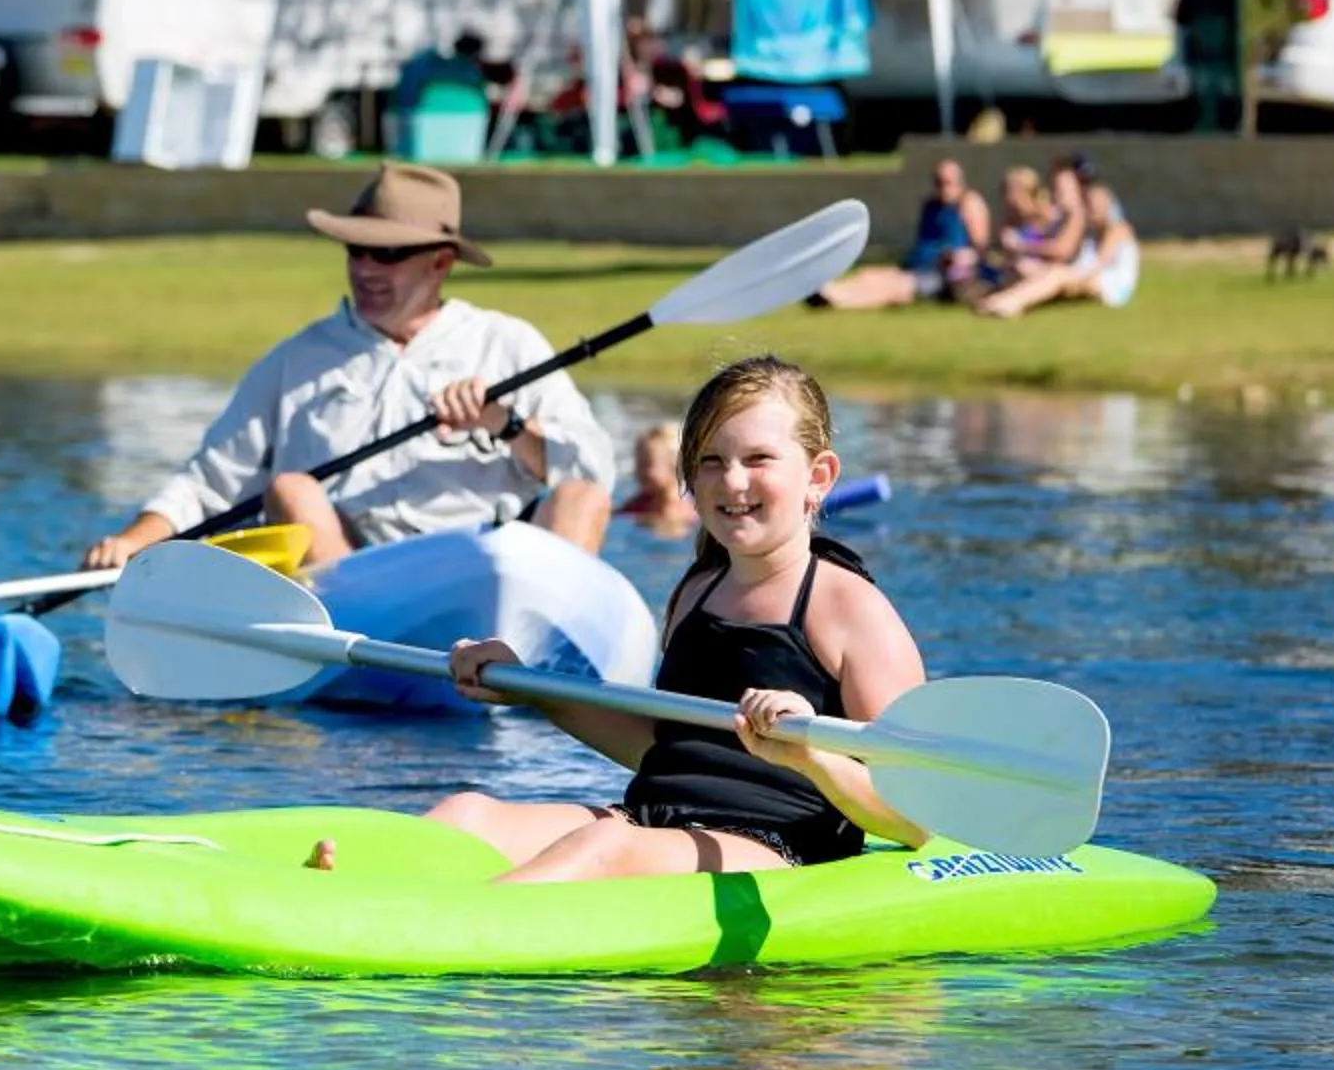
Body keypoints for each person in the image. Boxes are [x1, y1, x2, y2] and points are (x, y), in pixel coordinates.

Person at [320, 354, 927, 882]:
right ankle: (348, 884)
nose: (732, 481)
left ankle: (429, 929)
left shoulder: (850, 608)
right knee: (468, 814)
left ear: (818, 477)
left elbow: (918, 814)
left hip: (778, 849)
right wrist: (528, 687)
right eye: (711, 460)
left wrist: (811, 755)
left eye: (758, 458)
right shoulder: (697, 590)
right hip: (657, 821)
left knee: (605, 845)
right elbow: (660, 751)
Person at [79, 163, 616, 573]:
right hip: (351, 584)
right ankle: (352, 649)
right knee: (291, 490)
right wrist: (133, 543)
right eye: (355, 250)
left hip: (487, 571)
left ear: (441, 262)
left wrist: (507, 423)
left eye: (386, 254)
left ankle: (542, 661)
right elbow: (208, 483)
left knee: (582, 492)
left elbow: (592, 469)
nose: (364, 268)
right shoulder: (296, 359)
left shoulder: (508, 343)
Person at [812, 158, 994, 309]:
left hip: (942, 274)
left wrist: (959, 258)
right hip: (917, 265)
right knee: (869, 275)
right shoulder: (931, 206)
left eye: (948, 183)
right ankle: (828, 290)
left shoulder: (969, 203)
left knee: (894, 287)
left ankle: (838, 299)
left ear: (960, 181)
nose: (944, 188)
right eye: (939, 182)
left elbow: (980, 251)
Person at [976, 154, 1141, 318]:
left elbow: (1094, 264)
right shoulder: (1086, 227)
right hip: (1091, 279)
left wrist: (1025, 248)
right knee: (1043, 272)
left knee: (1056, 274)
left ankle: (1010, 303)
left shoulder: (1118, 229)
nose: (1092, 209)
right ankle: (1002, 299)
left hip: (1110, 288)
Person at [613, 423, 699, 538]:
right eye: (638, 464)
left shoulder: (675, 511)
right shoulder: (644, 500)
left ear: (674, 466)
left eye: (647, 465)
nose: (639, 472)